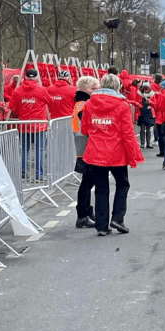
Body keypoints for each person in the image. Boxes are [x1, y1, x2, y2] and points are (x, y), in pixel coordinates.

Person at [80, 72, 143, 234]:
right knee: (122, 184)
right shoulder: (122, 105)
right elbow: (128, 133)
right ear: (118, 87)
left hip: (95, 152)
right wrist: (133, 156)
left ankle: (101, 226)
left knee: (101, 189)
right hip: (116, 153)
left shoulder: (89, 104)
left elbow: (85, 129)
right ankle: (117, 218)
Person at [7, 66, 52, 180]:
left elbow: (12, 107)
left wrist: (19, 113)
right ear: (36, 77)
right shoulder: (41, 90)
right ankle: (39, 175)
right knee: (39, 151)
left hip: (24, 125)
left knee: (24, 150)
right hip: (39, 126)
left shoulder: (18, 90)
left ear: (25, 77)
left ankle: (23, 173)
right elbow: (50, 102)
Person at [72, 75, 99, 227]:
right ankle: (83, 215)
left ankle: (87, 212)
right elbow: (88, 124)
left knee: (88, 181)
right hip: (84, 144)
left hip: (83, 143)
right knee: (87, 182)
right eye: (92, 88)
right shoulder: (84, 104)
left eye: (96, 88)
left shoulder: (81, 103)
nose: (95, 91)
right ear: (84, 89)